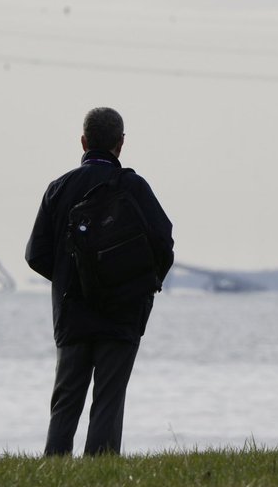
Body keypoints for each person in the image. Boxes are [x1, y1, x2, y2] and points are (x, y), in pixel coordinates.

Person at [26, 107, 174, 456]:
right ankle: (100, 472)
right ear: (120, 144)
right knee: (109, 399)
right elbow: (164, 242)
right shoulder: (134, 187)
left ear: (83, 141)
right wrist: (142, 283)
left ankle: (55, 471)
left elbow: (36, 254)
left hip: (72, 311)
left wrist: (72, 277)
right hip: (123, 311)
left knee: (66, 400)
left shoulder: (58, 189)